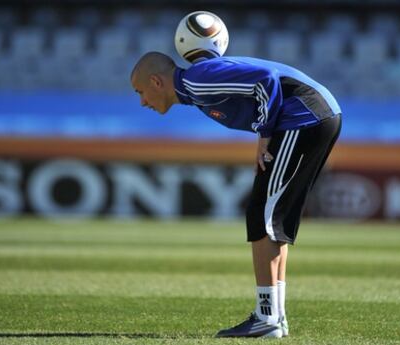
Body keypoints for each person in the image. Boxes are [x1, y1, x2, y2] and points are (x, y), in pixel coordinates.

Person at [130, 51, 342, 338]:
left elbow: (266, 81)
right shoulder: (196, 90)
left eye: (140, 92)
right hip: (314, 115)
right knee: (271, 217)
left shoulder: (195, 81)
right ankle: (274, 317)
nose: (142, 102)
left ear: (156, 81)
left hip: (304, 117)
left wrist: (265, 134)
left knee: (263, 216)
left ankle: (267, 318)